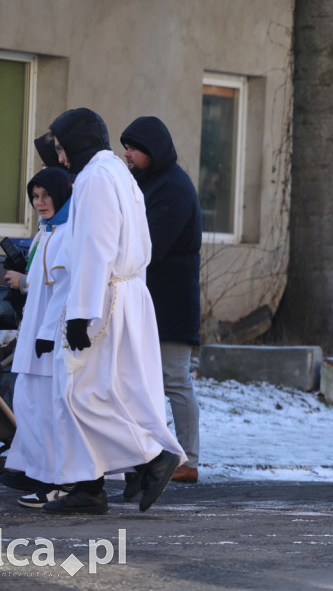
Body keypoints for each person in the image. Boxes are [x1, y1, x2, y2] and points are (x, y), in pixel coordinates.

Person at [42, 108, 185, 515]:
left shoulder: (96, 179)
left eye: (62, 147)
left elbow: (95, 247)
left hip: (105, 297)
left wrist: (79, 315)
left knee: (80, 393)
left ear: (77, 142)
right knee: (114, 391)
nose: (61, 157)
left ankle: (150, 458)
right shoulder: (118, 175)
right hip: (126, 294)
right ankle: (89, 484)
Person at [120, 116, 203, 486]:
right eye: (126, 147)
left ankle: (189, 457)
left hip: (171, 300)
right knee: (150, 380)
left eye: (134, 148)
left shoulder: (173, 188)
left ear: (153, 150)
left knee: (174, 379)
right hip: (152, 299)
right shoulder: (149, 183)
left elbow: (149, 245)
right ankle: (157, 452)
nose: (128, 154)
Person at [2, 167, 73, 507]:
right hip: (36, 335)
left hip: (48, 340)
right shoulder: (48, 230)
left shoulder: (64, 233)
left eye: (46, 195)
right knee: (30, 407)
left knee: (45, 412)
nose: (40, 202)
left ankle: (55, 482)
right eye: (35, 196)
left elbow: (60, 289)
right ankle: (38, 475)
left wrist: (46, 335)